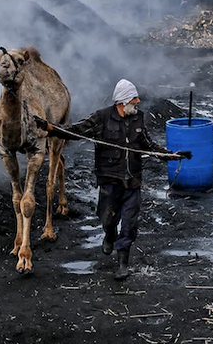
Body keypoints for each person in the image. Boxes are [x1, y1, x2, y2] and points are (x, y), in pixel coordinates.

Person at [35, 79, 191, 280]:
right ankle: (109, 234)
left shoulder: (138, 118)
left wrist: (172, 155)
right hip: (110, 181)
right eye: (134, 101)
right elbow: (75, 131)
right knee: (108, 219)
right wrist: (50, 128)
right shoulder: (102, 118)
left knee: (129, 224)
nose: (137, 103)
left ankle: (122, 264)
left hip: (132, 181)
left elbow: (148, 145)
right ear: (122, 102)